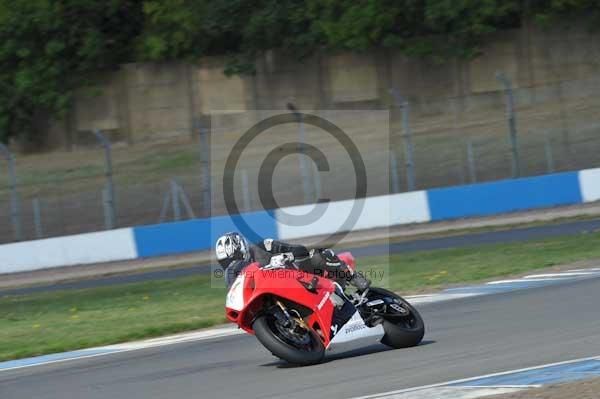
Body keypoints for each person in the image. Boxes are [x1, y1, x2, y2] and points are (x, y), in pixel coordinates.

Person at [215, 232, 370, 291]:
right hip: (279, 291)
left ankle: (352, 276)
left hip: (301, 276)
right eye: (226, 263)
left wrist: (286, 256)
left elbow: (299, 249)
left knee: (316, 255)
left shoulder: (263, 246)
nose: (231, 264)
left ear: (241, 249)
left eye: (232, 259)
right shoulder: (237, 276)